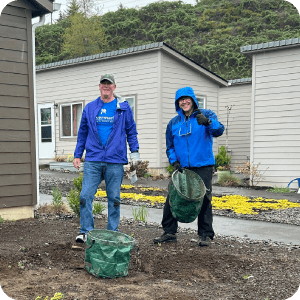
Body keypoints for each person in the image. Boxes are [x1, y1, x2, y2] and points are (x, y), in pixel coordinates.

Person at [153, 86, 224, 246]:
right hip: (182, 168)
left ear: (193, 99)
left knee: (204, 199)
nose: (184, 102)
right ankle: (169, 232)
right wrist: (174, 161)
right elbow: (170, 146)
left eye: (187, 98)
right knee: (172, 196)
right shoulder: (174, 123)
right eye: (181, 99)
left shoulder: (206, 115)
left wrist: (208, 123)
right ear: (178, 102)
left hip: (203, 165)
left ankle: (205, 235)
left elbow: (219, 130)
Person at [73, 74, 139, 243]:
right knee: (84, 196)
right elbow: (82, 133)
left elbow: (131, 131)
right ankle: (85, 230)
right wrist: (77, 154)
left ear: (114, 87)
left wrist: (135, 152)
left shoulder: (123, 108)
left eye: (109, 84)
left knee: (114, 198)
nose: (106, 86)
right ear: (99, 86)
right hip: (93, 159)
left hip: (115, 160)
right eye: (103, 84)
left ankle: (112, 232)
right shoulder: (89, 108)